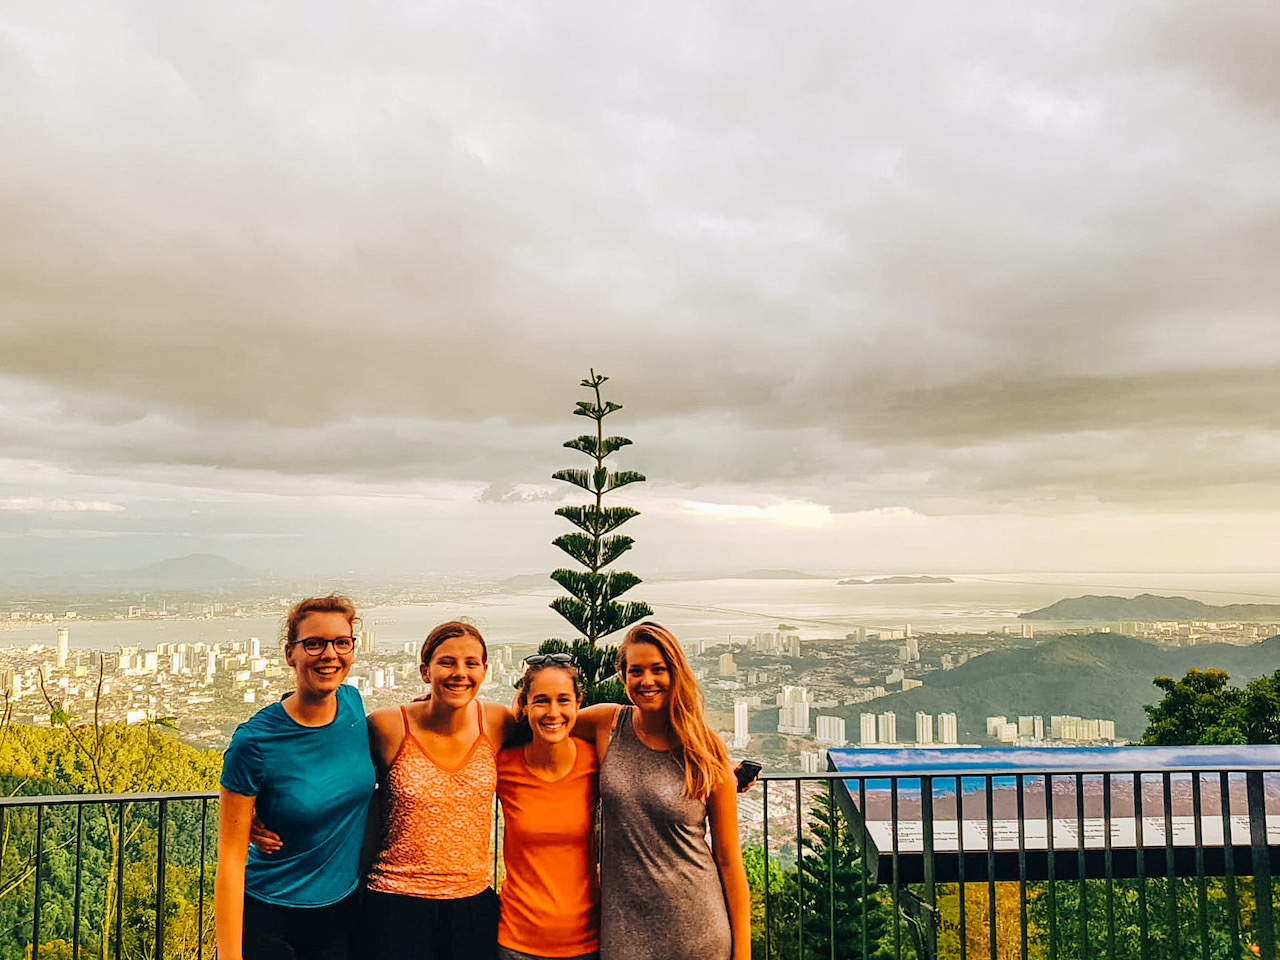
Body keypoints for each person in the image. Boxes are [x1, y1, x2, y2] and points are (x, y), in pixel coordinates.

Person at [574, 621, 752, 960]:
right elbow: (542, 721)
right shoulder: (606, 724)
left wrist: (743, 953)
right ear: (623, 676)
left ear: (676, 673)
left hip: (698, 933)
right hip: (623, 933)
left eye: (658, 669)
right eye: (635, 671)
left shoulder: (705, 753)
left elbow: (729, 862)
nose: (646, 681)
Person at [215, 595, 377, 960]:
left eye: (341, 642)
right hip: (269, 912)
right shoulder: (253, 740)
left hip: (342, 911)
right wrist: (228, 954)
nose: (329, 654)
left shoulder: (353, 703)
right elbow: (230, 860)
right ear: (291, 653)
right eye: (314, 644)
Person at [361, 620, 512, 960]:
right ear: (425, 671)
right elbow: (334, 774)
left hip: (472, 906)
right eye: (447, 662)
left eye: (471, 663)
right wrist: (263, 804)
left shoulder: (498, 722)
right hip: (394, 903)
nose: (460, 672)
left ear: (485, 670)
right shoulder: (387, 726)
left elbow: (552, 736)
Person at [496, 653, 600, 960]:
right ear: (524, 705)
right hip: (516, 941)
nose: (553, 712)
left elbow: (653, 755)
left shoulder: (597, 760)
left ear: (578, 703)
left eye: (563, 700)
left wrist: (723, 766)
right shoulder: (504, 764)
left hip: (587, 941)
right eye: (541, 700)